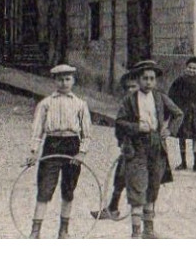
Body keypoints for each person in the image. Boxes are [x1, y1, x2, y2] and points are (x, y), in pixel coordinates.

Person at [110, 59, 182, 239]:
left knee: (153, 186)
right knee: (137, 186)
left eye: (152, 78)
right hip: (136, 147)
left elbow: (178, 113)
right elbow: (119, 122)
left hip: (157, 146)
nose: (148, 82)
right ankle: (136, 232)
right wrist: (136, 128)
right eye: (144, 78)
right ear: (138, 79)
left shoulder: (159, 97)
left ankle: (148, 230)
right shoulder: (130, 99)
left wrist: (169, 129)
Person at [26, 63, 93, 238]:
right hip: (52, 145)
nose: (64, 83)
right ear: (54, 81)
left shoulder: (80, 104)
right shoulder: (46, 104)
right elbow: (37, 129)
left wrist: (82, 152)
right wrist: (34, 151)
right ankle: (35, 231)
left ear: (73, 80)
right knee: (45, 188)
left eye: (67, 79)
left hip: (72, 145)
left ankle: (64, 230)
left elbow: (87, 133)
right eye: (60, 79)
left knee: (68, 189)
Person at [95, 72, 140, 221]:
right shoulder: (126, 104)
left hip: (142, 148)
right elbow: (119, 125)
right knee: (120, 176)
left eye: (134, 86)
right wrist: (122, 142)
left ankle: (143, 217)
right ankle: (113, 208)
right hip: (128, 146)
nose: (130, 90)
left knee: (140, 181)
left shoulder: (147, 104)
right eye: (128, 87)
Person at [167, 56, 196, 172]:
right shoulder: (180, 80)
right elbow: (172, 94)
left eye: (194, 68)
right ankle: (183, 162)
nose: (191, 70)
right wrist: (175, 109)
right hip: (183, 111)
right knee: (181, 137)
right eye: (189, 67)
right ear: (186, 68)